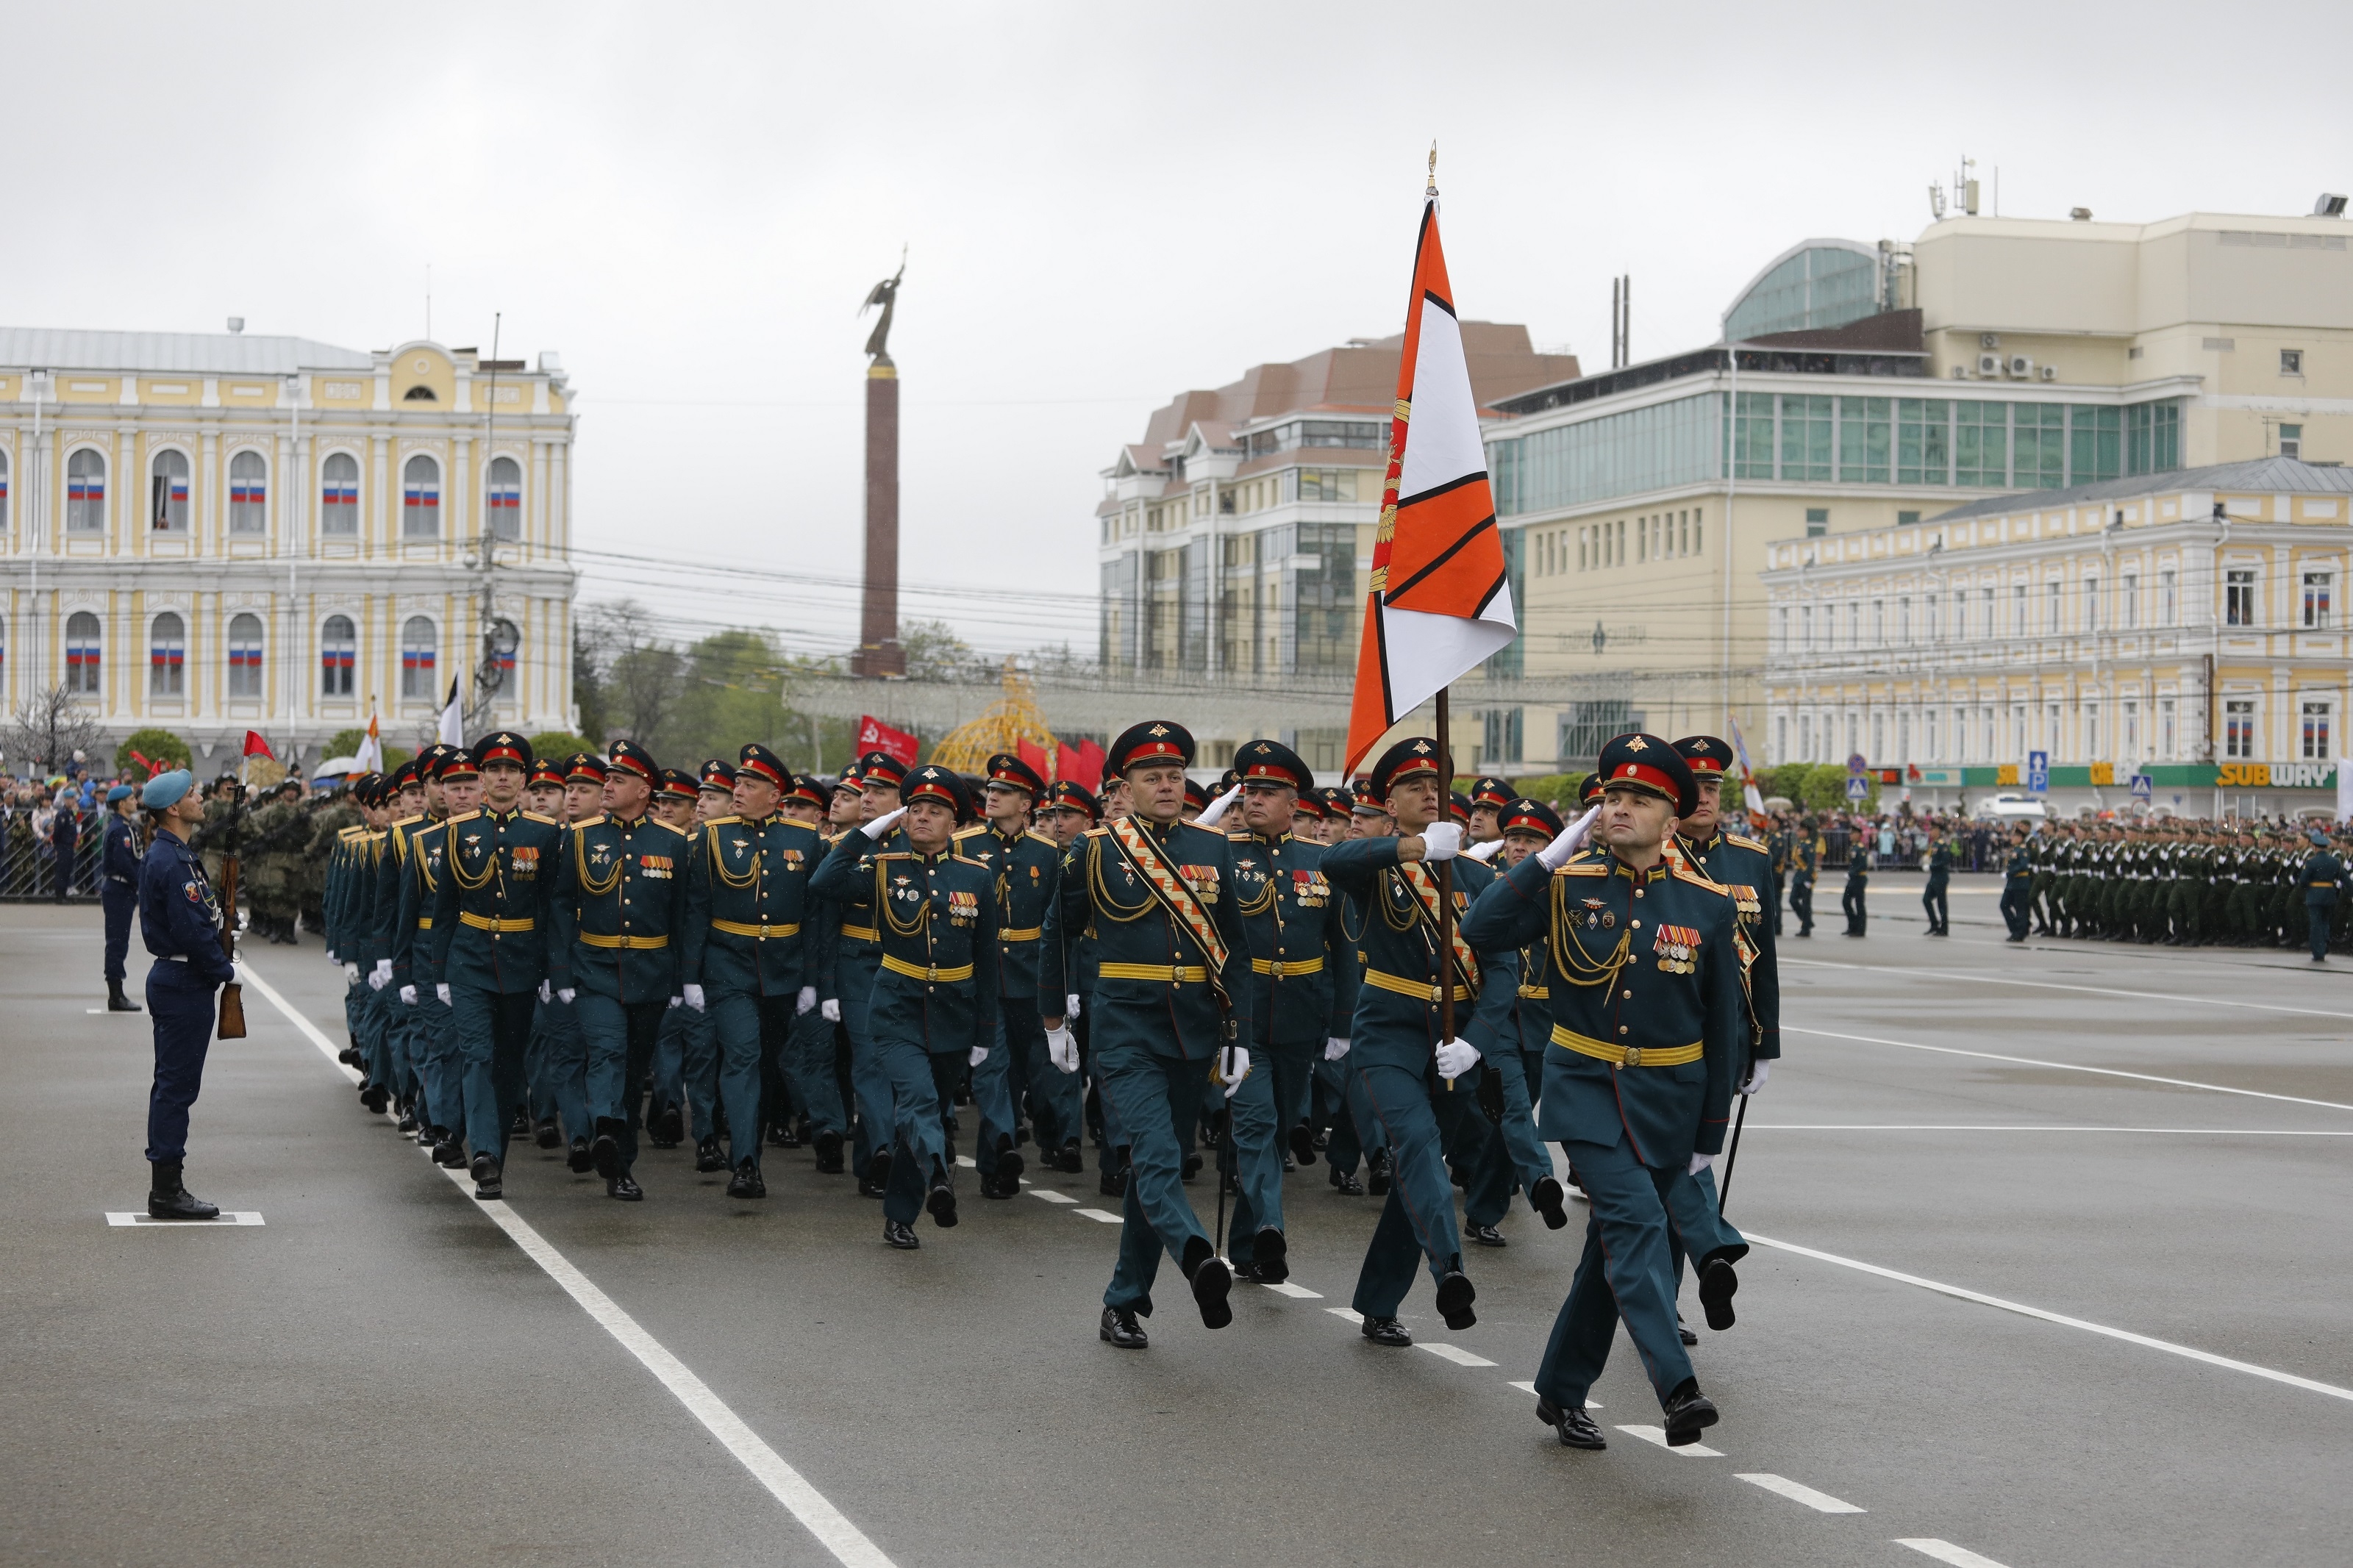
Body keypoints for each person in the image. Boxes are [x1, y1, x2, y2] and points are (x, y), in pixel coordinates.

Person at [1460, 734, 1743, 1452]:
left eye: (1638, 799)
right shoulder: (1568, 883)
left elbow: (1722, 1027)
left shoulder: (1706, 906)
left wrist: (1707, 1136)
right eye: (1611, 797)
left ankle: (1558, 1390)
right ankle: (1676, 1388)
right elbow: (1479, 927)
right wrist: (1548, 856)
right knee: (1638, 1225)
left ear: (1670, 818)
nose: (1619, 808)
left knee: (1605, 1258)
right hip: (1584, 1086)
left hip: (1667, 1100)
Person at [1039, 721, 1254, 1347]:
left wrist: (1235, 1033)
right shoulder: (1095, 850)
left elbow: (1235, 950)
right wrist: (1054, 1020)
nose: (1167, 785)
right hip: (1125, 1025)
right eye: (1152, 777)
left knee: (1149, 1176)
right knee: (1157, 1156)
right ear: (1124, 787)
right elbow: (1057, 933)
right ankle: (1196, 1260)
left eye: (1174, 775)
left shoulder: (1213, 848)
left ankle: (1123, 1300)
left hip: (1192, 1029)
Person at [1318, 736, 1518, 1349]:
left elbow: (1505, 968)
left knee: (1415, 1171)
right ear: (1391, 803)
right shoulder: (1379, 864)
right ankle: (1450, 1270)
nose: (1430, 793)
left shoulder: (1480, 877)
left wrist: (1478, 1041)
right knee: (1418, 1145)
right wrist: (1413, 848)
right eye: (1414, 787)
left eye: (1438, 785)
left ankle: (1379, 1301)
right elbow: (1335, 863)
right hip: (1390, 1033)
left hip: (1455, 1041)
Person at [810, 765, 999, 1248]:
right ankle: (940, 1175)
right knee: (916, 1102)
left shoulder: (976, 877)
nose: (921, 817)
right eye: (914, 809)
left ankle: (899, 1213)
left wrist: (983, 1034)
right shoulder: (884, 866)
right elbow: (824, 882)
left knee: (926, 1112)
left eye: (934, 811)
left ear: (953, 824)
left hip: (953, 1012)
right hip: (897, 1008)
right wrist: (870, 829)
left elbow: (986, 960)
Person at [1218, 739, 1350, 1282]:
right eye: (1249, 790)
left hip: (1300, 1016)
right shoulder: (1220, 854)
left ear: (1294, 804)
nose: (1254, 799)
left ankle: (1248, 1245)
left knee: (1276, 1131)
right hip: (1240, 1018)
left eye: (1268, 792)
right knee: (1256, 1122)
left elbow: (1342, 948)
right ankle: (1272, 1225)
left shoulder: (1320, 862)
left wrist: (1341, 1024)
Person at [549, 739, 693, 1202]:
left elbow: (682, 918)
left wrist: (679, 980)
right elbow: (560, 907)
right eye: (607, 778)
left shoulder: (672, 843)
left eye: (618, 779)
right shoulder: (581, 837)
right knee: (607, 1050)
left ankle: (620, 1164)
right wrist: (562, 972)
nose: (607, 785)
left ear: (644, 790)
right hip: (594, 969)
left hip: (651, 972)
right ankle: (606, 1127)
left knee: (633, 1071)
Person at [682, 745, 829, 1199]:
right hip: (728, 968)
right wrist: (690, 976)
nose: (737, 791)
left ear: (775, 794)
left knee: (767, 1064)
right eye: (738, 784)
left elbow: (813, 919)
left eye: (749, 785)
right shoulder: (712, 836)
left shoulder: (805, 841)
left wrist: (810, 980)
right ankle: (746, 1163)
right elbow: (697, 910)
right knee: (742, 1056)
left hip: (783, 972)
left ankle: (752, 1144)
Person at [429, 734, 568, 1200]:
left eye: (512, 770)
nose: (503, 777)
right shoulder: (459, 831)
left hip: (523, 960)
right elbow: (445, 906)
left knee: (509, 1064)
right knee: (478, 1054)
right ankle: (484, 1153)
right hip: (470, 958)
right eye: (494, 770)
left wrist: (553, 971)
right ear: (484, 779)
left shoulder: (546, 834)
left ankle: (496, 1158)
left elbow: (552, 908)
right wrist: (440, 969)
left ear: (525, 779)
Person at [136, 769, 240, 1220]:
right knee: (176, 1089)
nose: (200, 798)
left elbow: (199, 918)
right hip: (183, 982)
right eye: (192, 794)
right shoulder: (172, 860)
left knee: (174, 1087)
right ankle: (166, 1191)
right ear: (173, 809)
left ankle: (168, 1185)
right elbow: (189, 931)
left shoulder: (175, 853)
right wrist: (227, 971)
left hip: (180, 980)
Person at [101, 784, 143, 1011]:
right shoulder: (119, 830)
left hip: (124, 890)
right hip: (118, 889)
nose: (135, 801)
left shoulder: (127, 827)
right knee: (117, 943)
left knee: (120, 942)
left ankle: (117, 992)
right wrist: (141, 882)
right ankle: (115, 995)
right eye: (130, 799)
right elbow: (123, 862)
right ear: (121, 804)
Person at [2299, 830, 2341, 963]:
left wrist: (2309, 889)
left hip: (2315, 894)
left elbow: (2303, 880)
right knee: (2325, 920)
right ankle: (2326, 939)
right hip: (2329, 894)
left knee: (2316, 923)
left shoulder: (2312, 862)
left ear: (2315, 847)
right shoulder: (2335, 862)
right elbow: (2345, 879)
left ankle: (2318, 952)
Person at [1999, 826, 2035, 942]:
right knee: (2004, 905)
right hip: (2012, 884)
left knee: (2021, 909)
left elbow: (2023, 865)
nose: (2012, 838)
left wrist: (2011, 873)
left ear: (2020, 838)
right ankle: (2016, 929)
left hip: (2020, 883)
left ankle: (2019, 933)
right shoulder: (2014, 849)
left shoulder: (2023, 850)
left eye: (2014, 836)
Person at [1923, 825, 1954, 937]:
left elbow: (1945, 861)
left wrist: (1931, 866)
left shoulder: (1942, 845)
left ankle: (1944, 928)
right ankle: (1934, 924)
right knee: (1926, 899)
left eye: (1932, 830)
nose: (1930, 832)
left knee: (1941, 903)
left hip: (1941, 877)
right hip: (1934, 877)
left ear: (1937, 831)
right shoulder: (1934, 844)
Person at [1840, 833, 1869, 937]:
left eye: (1853, 834)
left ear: (1858, 835)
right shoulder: (1853, 847)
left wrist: (1851, 873)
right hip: (1852, 879)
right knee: (1845, 902)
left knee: (1859, 904)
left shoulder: (1861, 848)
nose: (1850, 836)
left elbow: (1863, 865)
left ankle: (1860, 929)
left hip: (1859, 879)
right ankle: (1852, 925)